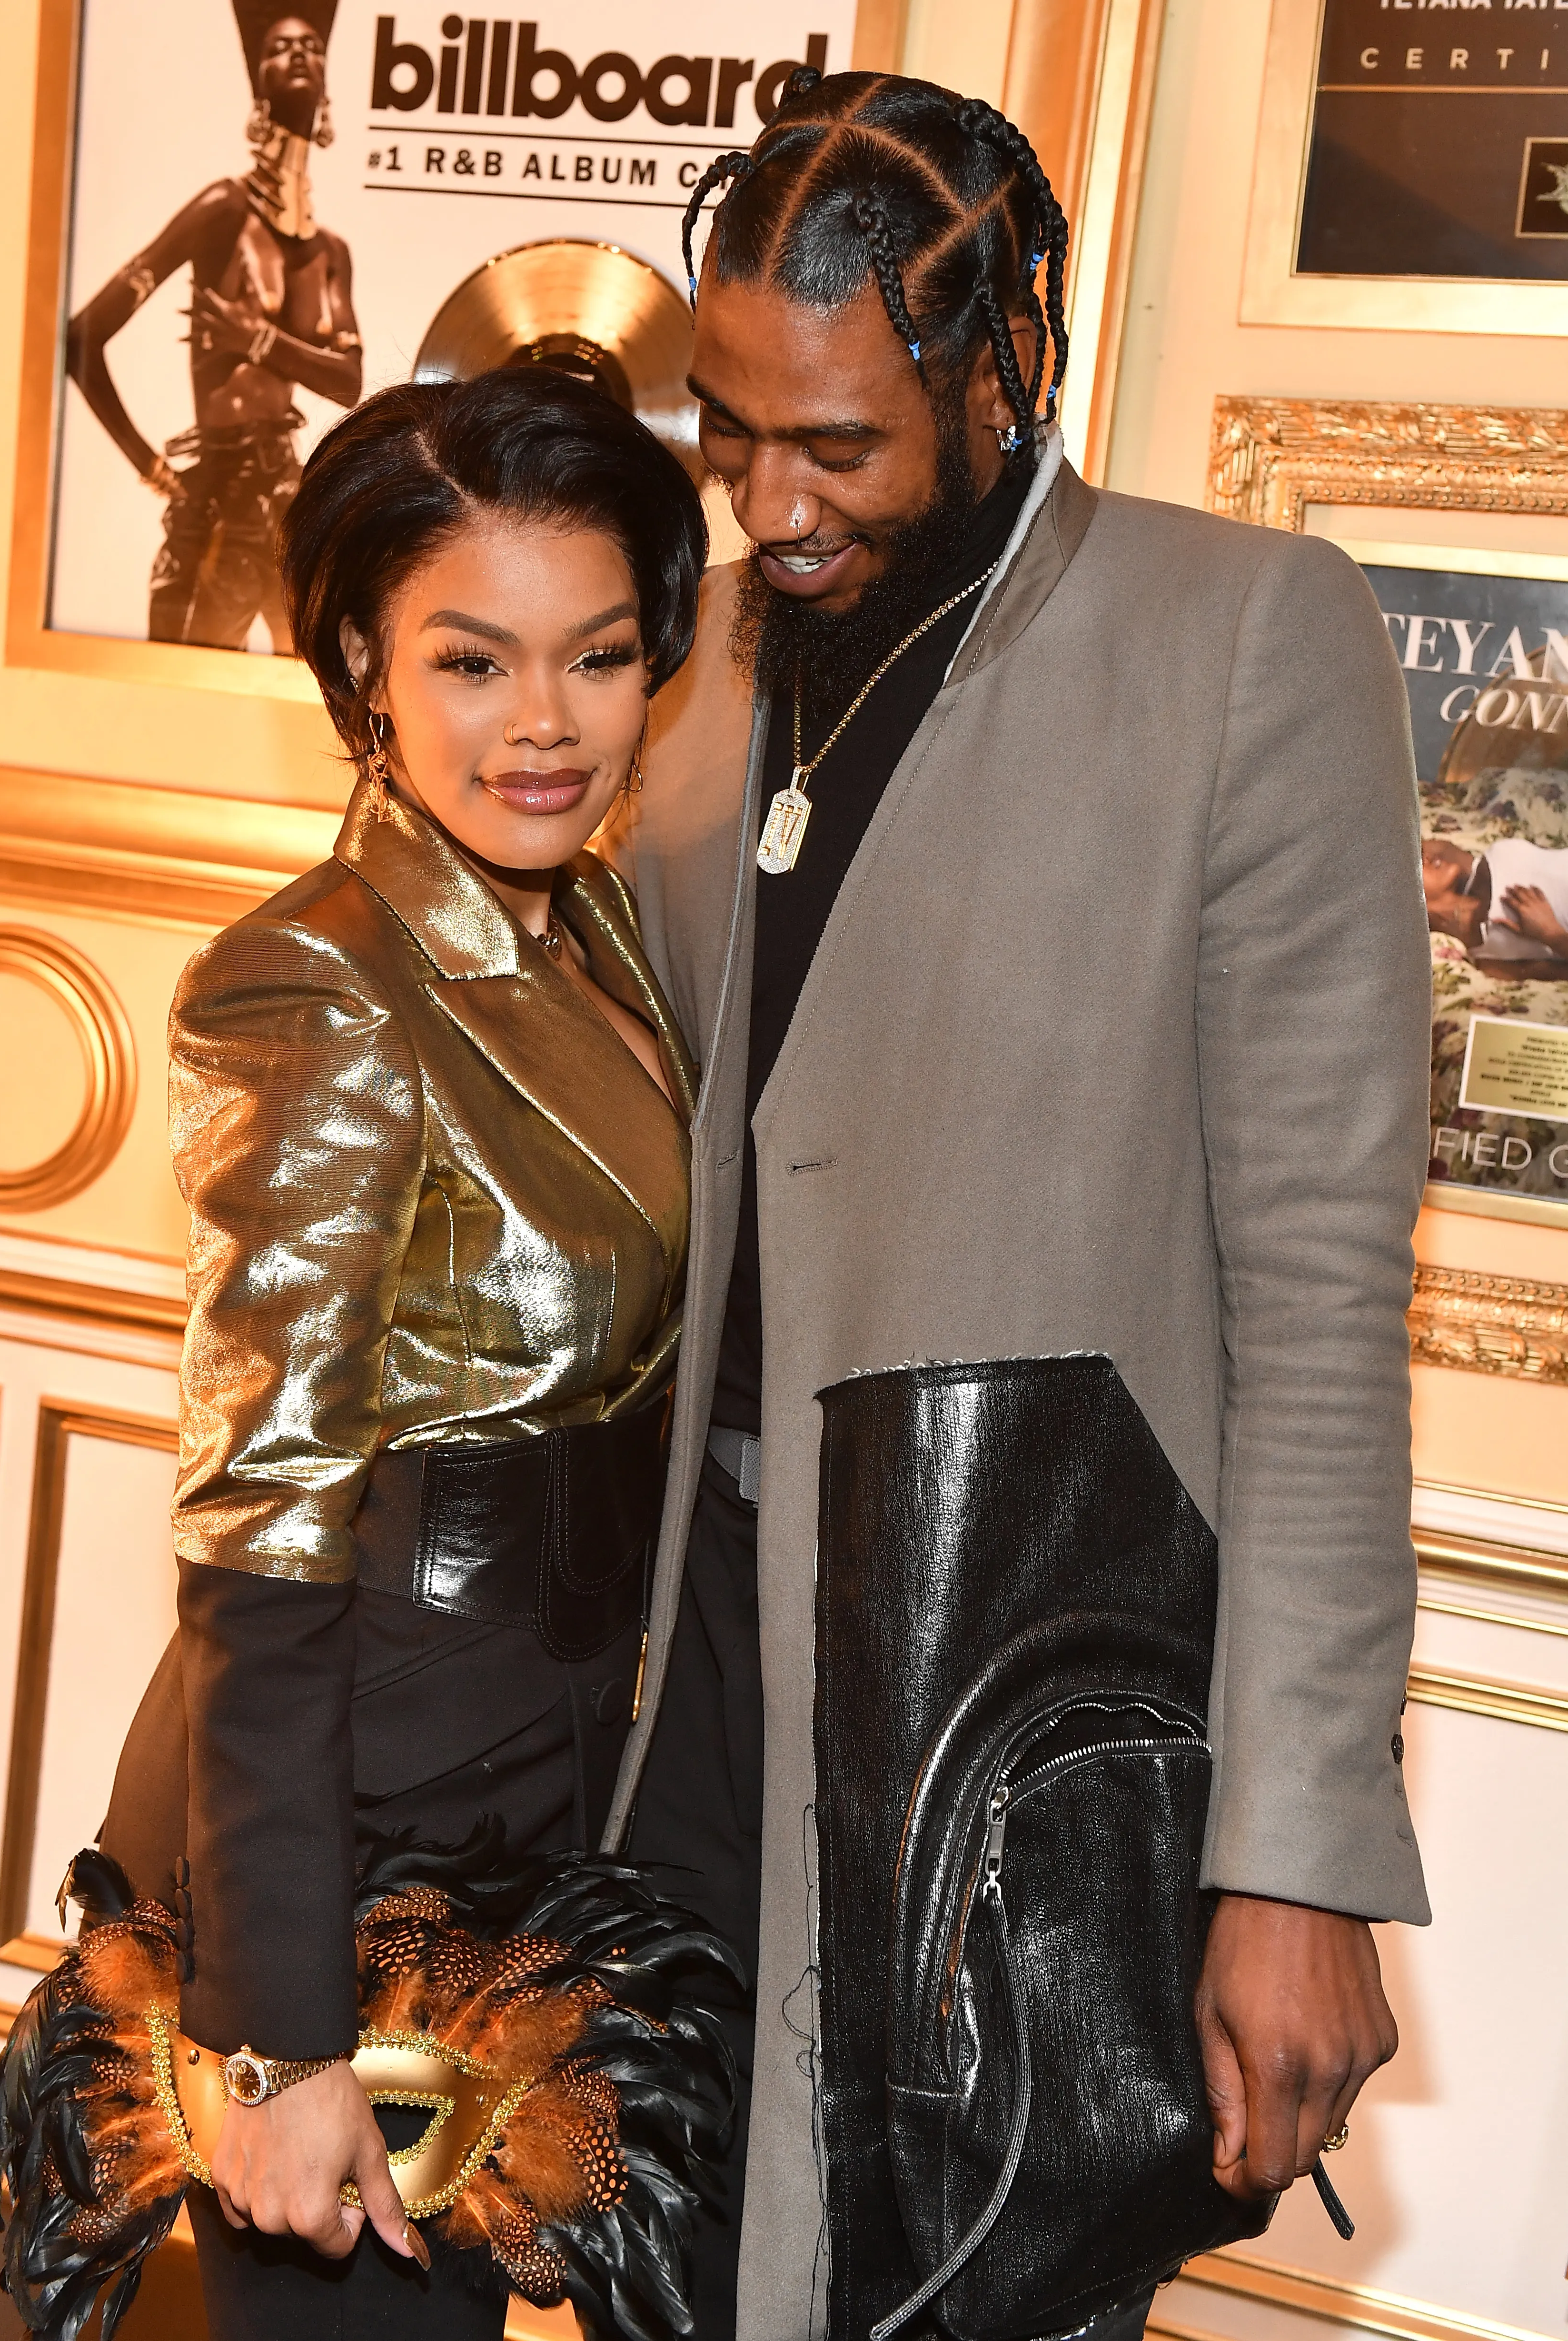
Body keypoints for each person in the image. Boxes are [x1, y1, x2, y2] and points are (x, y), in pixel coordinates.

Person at [609, 67, 1429, 2341]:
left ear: (1004, 370)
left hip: (1011, 1711)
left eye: (840, 448)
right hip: (689, 1691)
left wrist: (1290, 1861)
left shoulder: (1242, 640)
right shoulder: (675, 676)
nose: (770, 507)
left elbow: (1314, 1307)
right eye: (727, 433)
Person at [95, 365, 707, 2338]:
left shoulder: (589, 923)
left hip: (543, 1778)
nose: (543, 723)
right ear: (365, 658)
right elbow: (258, 1529)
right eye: (471, 658)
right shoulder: (314, 973)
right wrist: (271, 2034)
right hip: (362, 1820)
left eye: (598, 656)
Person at [66, 3, 361, 650]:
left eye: (311, 45)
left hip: (291, 508)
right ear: (259, 81)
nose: (300, 55)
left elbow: (349, 382)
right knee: (178, 696)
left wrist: (257, 341)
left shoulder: (329, 253)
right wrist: (148, 465)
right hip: (215, 508)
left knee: (308, 703)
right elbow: (83, 337)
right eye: (281, 48)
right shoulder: (222, 212)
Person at [1423, 831, 1568, 966]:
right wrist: (1554, 936)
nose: (1425, 857)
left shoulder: (1478, 869)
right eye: (1411, 866)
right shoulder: (1487, 958)